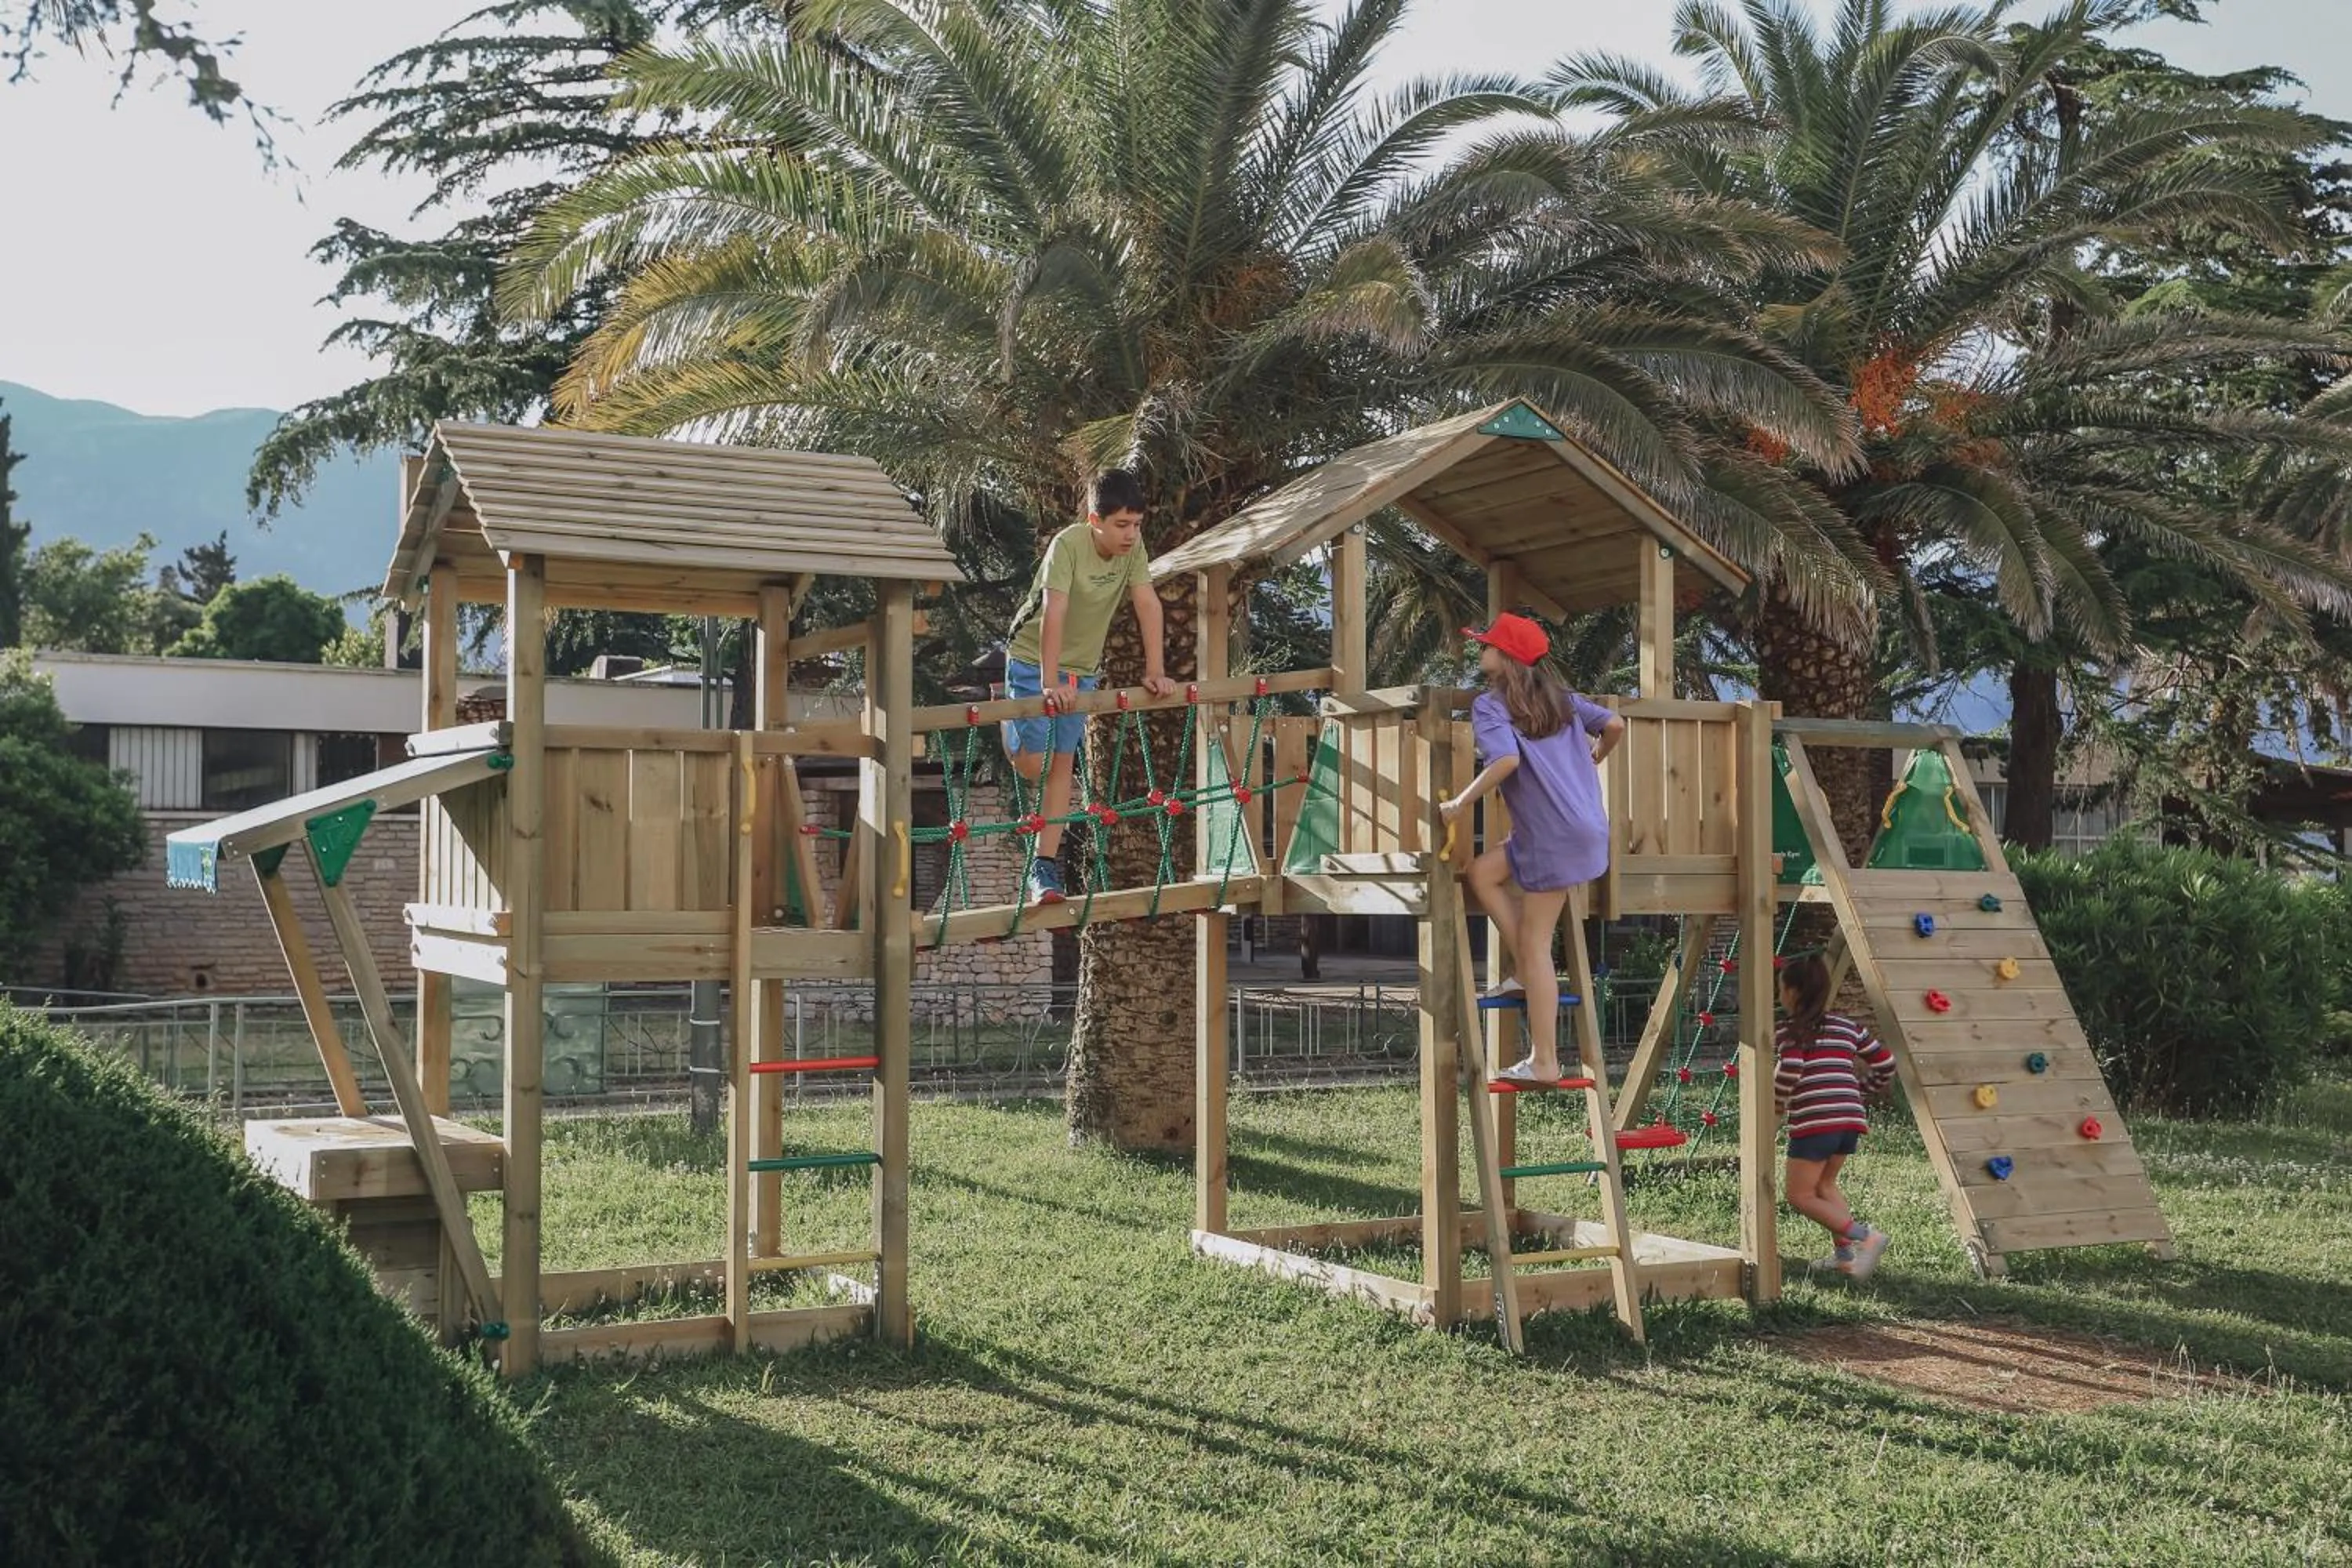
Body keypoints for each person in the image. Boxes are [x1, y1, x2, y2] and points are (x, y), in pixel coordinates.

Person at [1437, 613, 1624, 1085]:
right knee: (1482, 873)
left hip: (1552, 837)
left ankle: (1544, 1060)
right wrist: (1597, 756)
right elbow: (1616, 724)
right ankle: (1524, 968)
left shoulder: (1490, 705)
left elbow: (1505, 759)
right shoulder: (1562, 701)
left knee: (1538, 945)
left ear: (1504, 658)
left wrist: (1460, 802)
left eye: (1486, 645)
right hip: (1581, 828)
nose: (1480, 650)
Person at [1001, 468, 1174, 904]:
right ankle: (1007, 723)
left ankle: (1043, 868)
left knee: (1062, 766)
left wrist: (1155, 670)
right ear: (1095, 520)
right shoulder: (1068, 545)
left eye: (1137, 524)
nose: (1131, 534)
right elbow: (1054, 611)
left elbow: (1147, 603)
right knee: (1035, 766)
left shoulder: (1133, 550)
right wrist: (1048, 682)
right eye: (1121, 524)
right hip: (1032, 660)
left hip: (1082, 670)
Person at [1772, 953, 1896, 1278]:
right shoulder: (1848, 1027)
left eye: (1781, 988)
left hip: (1816, 1122)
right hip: (1849, 1121)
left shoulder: (1790, 1031)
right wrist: (1859, 1091)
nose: (1780, 995)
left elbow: (1791, 1068)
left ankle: (1867, 1238)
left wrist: (1777, 1103)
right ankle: (1845, 1258)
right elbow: (1886, 1064)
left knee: (1799, 1195)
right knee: (1825, 1186)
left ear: (1794, 992)